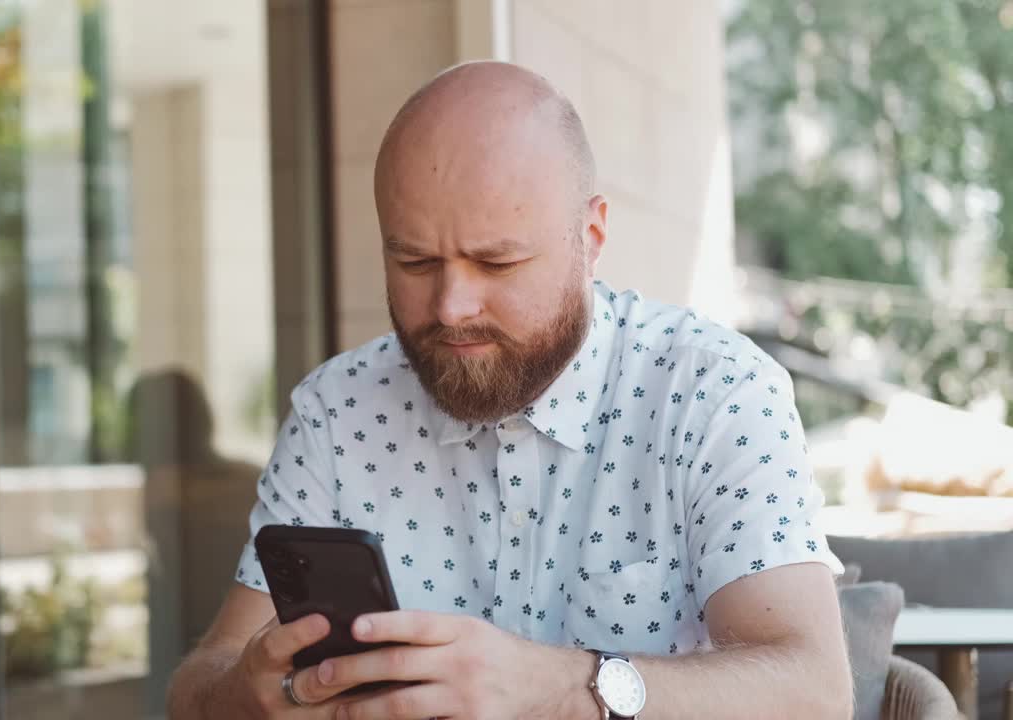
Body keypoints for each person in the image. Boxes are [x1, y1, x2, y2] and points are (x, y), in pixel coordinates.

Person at [167, 61, 852, 720]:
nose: (451, 306)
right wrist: (245, 696)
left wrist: (569, 689)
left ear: (591, 237)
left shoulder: (714, 392)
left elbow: (814, 691)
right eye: (414, 261)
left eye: (496, 261)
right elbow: (202, 682)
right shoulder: (336, 411)